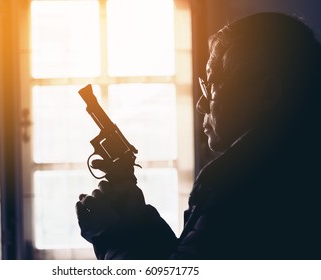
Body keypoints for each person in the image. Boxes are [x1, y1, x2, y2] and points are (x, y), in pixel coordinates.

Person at [75, 12, 321, 259]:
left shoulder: (243, 191)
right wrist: (140, 220)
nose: (201, 104)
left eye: (212, 85)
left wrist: (111, 234)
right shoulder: (277, 174)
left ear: (267, 93)